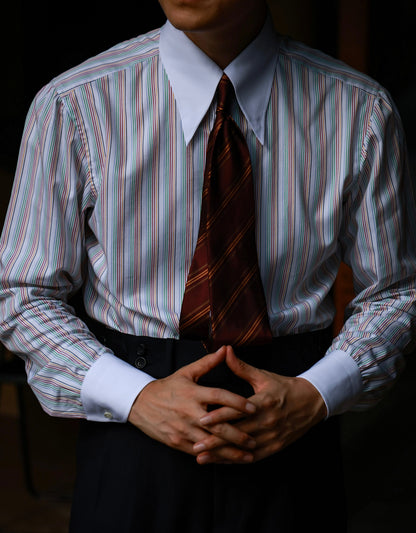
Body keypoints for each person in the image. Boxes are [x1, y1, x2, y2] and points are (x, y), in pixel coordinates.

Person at [1, 0, 415, 531]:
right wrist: (136, 396)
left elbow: (395, 293)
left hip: (293, 423)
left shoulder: (360, 111)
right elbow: (22, 292)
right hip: (131, 434)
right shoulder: (75, 105)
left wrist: (317, 393)